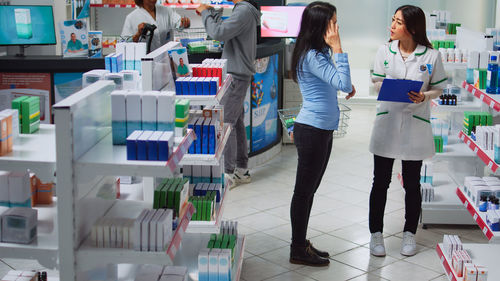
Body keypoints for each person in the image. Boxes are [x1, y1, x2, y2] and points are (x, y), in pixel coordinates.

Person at [368, 5, 447, 257]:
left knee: (412, 184)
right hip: (387, 123)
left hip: (415, 124)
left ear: (412, 28)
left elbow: (438, 89)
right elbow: (375, 83)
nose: (392, 25)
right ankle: (376, 234)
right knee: (380, 182)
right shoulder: (384, 51)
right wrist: (388, 87)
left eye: (397, 22)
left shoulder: (431, 56)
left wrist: (424, 96)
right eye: (392, 20)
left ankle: (409, 234)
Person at [289, 2, 355, 267]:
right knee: (303, 192)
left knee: (310, 190)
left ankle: (301, 241)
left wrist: (343, 78)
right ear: (321, 25)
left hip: (322, 129)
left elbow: (338, 82)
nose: (336, 28)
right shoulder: (313, 55)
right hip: (312, 131)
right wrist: (339, 47)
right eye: (333, 23)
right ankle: (297, 249)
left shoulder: (318, 51)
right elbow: (343, 82)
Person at [196, 0, 261, 189]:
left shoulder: (243, 11)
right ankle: (242, 170)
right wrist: (213, 11)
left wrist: (204, 13)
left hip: (236, 75)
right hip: (238, 74)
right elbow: (221, 31)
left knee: (226, 123)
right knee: (236, 121)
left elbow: (217, 33)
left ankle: (228, 174)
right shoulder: (244, 10)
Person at [121, 0, 190, 52]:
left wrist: (184, 23)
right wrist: (138, 34)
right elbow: (124, 44)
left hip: (167, 59)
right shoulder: (132, 17)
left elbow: (179, 23)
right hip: (146, 61)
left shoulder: (166, 10)